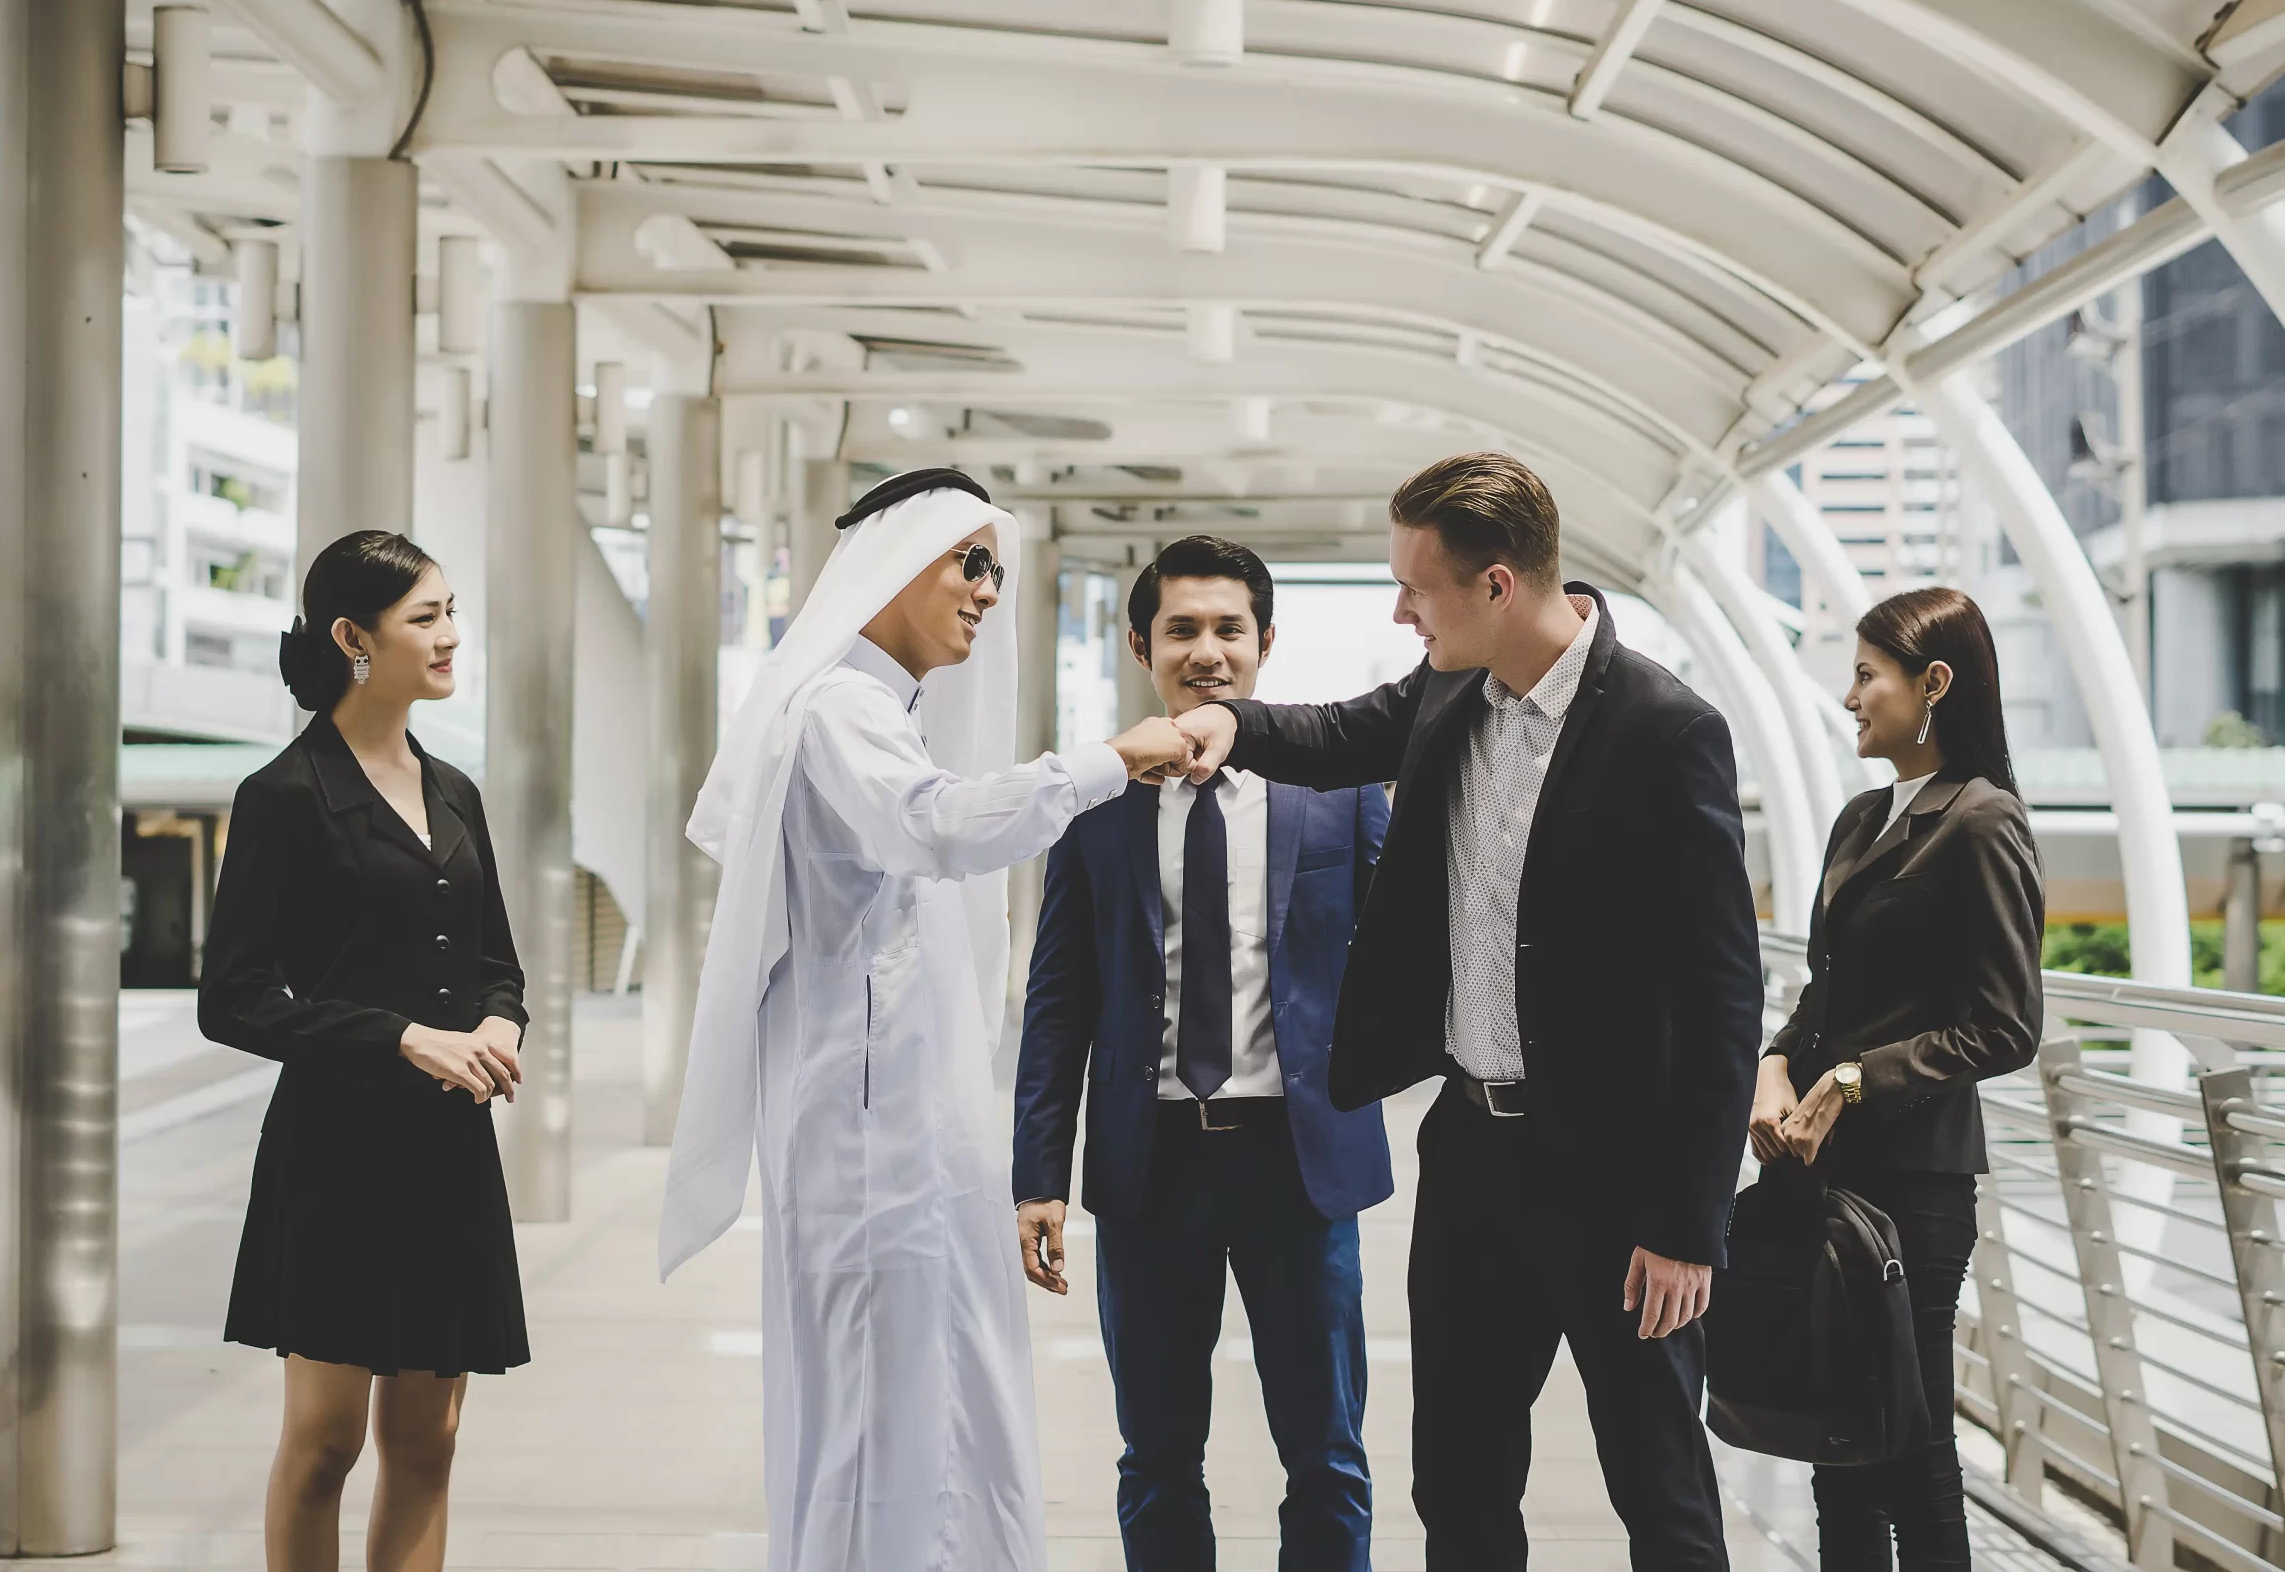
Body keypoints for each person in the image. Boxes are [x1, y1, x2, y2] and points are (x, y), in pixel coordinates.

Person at [1173, 453, 1764, 1571]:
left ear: (1496, 585)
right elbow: (1341, 732)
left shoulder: (1664, 728)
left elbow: (1724, 993)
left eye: (1415, 587)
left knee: (1657, 1485)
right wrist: (1229, 727)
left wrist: (1690, 1224)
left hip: (1619, 1178)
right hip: (1473, 1160)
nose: (1400, 611)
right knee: (1457, 1476)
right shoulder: (1448, 688)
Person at [656, 467, 1195, 1572]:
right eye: (970, 562)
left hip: (911, 1137)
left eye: (995, 568)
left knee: (940, 1400)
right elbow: (934, 828)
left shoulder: (879, 715)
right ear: (896, 566)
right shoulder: (839, 713)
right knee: (877, 1413)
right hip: (868, 1146)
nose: (989, 591)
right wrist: (1107, 760)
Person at [1013, 535, 1393, 1572]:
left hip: (1298, 1162)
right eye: (1182, 629)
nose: (1207, 650)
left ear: (1266, 642)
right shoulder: (1095, 804)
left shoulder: (1340, 788)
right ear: (1143, 645)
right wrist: (1037, 1173)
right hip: (1153, 1165)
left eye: (1230, 628)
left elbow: (1406, 944)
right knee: (1157, 1452)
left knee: (1325, 1452)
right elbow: (1060, 999)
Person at [200, 530, 528, 1572]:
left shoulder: (456, 793)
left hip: (448, 1155)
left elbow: (500, 966)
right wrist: (400, 1038)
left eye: (450, 611)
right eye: (424, 618)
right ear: (353, 637)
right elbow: (233, 1000)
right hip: (335, 1157)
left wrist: (497, 1024)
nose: (450, 636)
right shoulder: (285, 798)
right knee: (325, 1445)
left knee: (427, 1441)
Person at [1750, 587, 2043, 1572]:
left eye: (1867, 676)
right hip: (1824, 1172)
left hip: (1915, 1182)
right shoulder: (1859, 819)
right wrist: (1777, 1064)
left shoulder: (1981, 822)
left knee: (1911, 1444)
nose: (1849, 699)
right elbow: (1824, 993)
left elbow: (2006, 1026)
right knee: (1833, 1438)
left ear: (1934, 684)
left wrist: (1851, 1082)